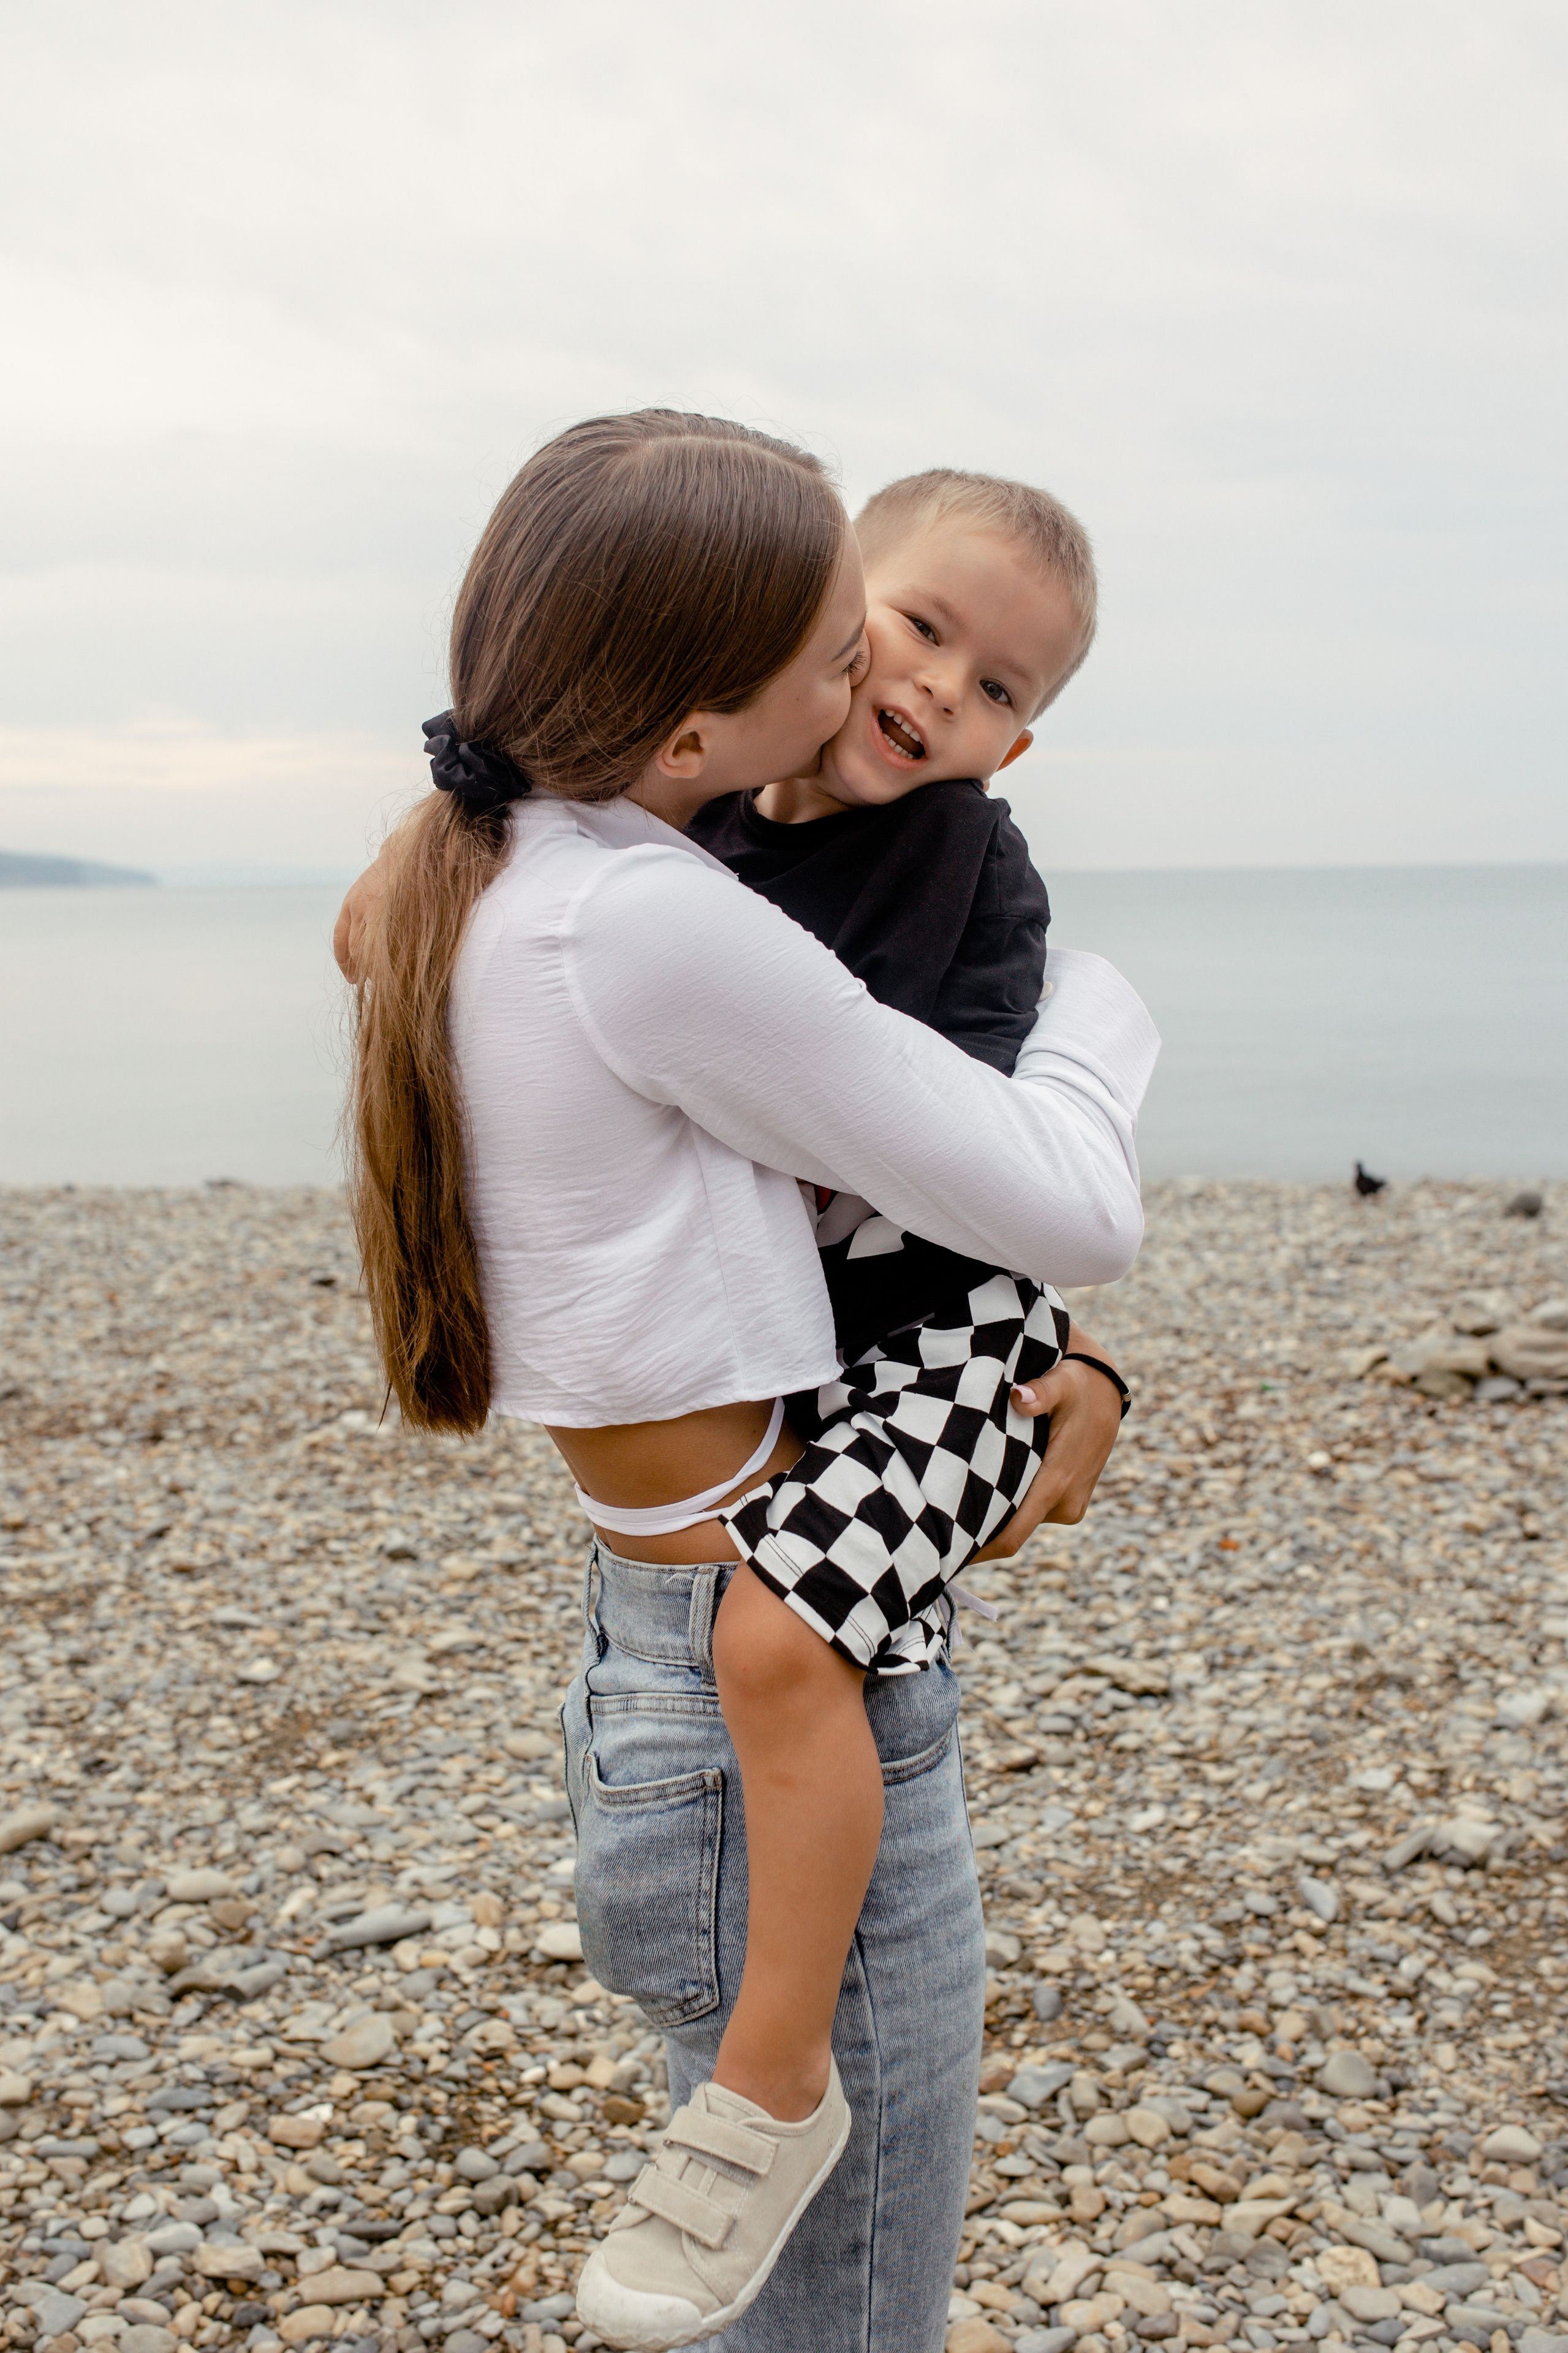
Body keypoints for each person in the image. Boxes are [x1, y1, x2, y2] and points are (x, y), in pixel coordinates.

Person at [339, 407, 1158, 2352]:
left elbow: (971, 1186)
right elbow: (1054, 1169)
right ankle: (771, 2087)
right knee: (853, 2309)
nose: (919, 688)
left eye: (993, 685)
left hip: (870, 1406)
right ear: (707, 716)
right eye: (873, 631)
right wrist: (1112, 1039)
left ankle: (766, 2083)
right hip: (748, 1601)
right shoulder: (655, 891)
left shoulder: (647, 861)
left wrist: (1066, 1350)